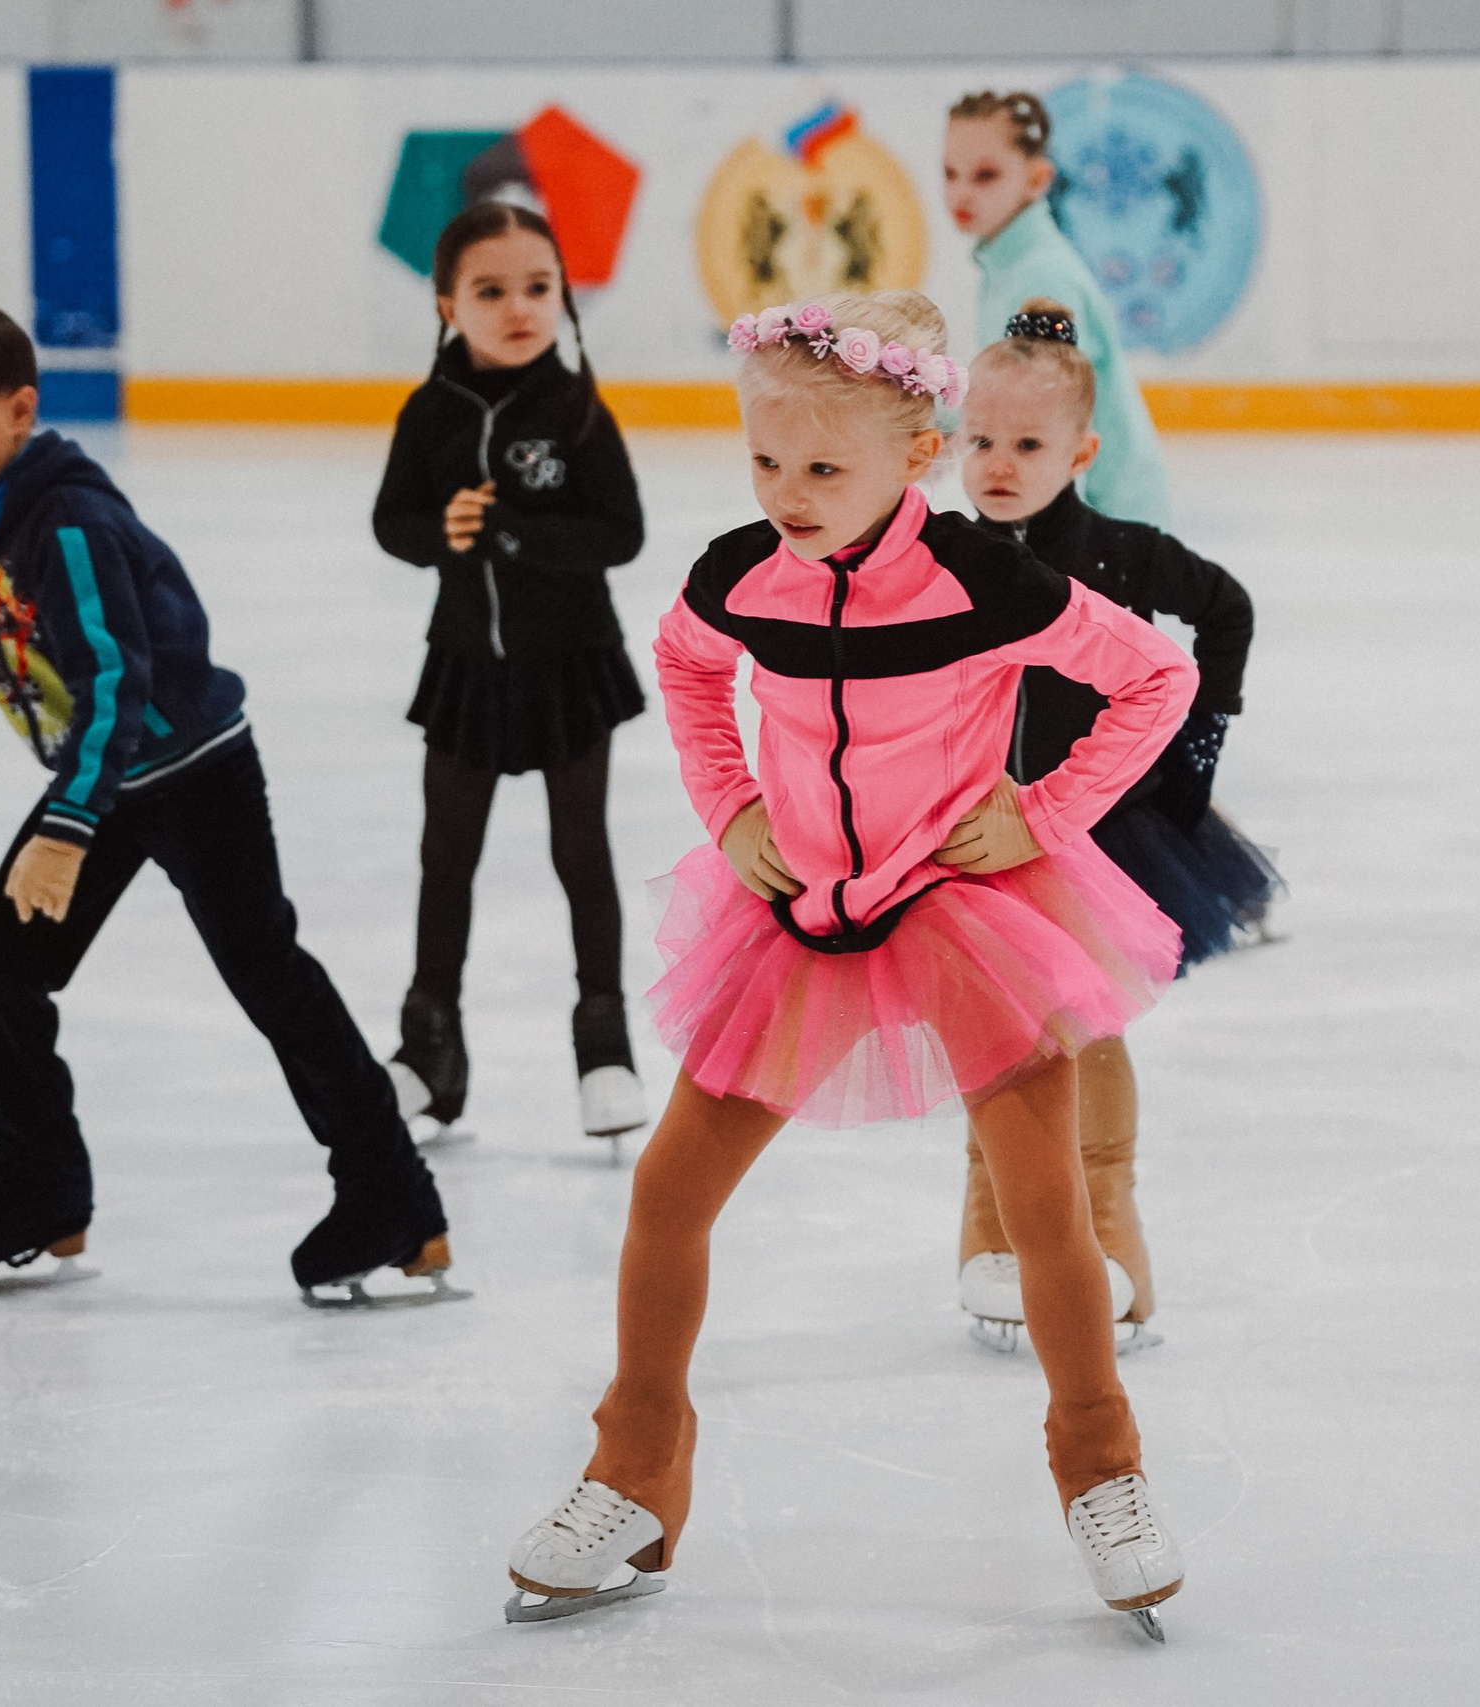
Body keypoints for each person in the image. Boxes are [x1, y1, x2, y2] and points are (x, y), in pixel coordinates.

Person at [501, 291, 1195, 1638]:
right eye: (767, 462)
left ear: (915, 457)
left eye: (823, 468)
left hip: (959, 910)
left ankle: (1101, 1462)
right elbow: (691, 668)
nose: (790, 493)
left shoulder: (985, 580)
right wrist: (732, 809)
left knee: (1044, 1207)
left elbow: (1151, 680)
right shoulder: (734, 573)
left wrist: (1043, 811)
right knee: (668, 1193)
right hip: (796, 916)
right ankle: (635, 1468)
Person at [0, 297, 453, 1306]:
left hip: (189, 775)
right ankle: (38, 1186)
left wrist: (68, 823)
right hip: (110, 778)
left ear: (18, 410)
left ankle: (390, 1195)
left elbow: (116, 680)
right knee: (3, 963)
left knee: (266, 973)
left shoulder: (63, 522)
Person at [952, 302, 1279, 1352]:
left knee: (1085, 1031)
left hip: (1092, 839)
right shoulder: (940, 555)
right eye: (981, 441)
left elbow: (1224, 609)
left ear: (1083, 451)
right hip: (970, 840)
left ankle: (1108, 1234)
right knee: (991, 1041)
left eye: (1028, 445)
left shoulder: (1123, 556)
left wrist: (1191, 757)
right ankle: (990, 1236)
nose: (998, 464)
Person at [372, 202, 650, 1146]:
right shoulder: (429, 412)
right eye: (491, 291)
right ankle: (429, 1053)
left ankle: (605, 1048)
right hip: (465, 668)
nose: (519, 307)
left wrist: (515, 532)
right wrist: (439, 535)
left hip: (570, 667)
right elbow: (392, 523)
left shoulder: (575, 410)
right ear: (449, 304)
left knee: (582, 855)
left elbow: (622, 532)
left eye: (538, 287)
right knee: (445, 859)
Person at [942, 89, 1171, 529]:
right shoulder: (1005, 262)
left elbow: (1054, 412)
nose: (960, 193)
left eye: (985, 175)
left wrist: (1060, 550)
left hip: (1106, 520)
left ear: (1036, 179)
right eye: (950, 173)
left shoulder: (1040, 276)